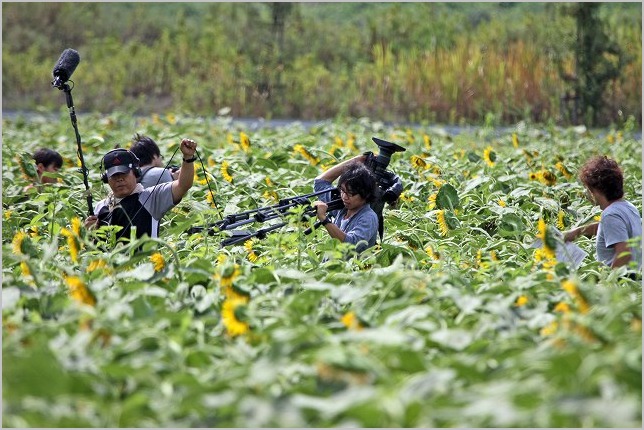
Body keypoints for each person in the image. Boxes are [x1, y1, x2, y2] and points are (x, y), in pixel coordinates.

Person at [84, 138, 198, 243]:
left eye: (124, 173)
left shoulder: (151, 197)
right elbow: (91, 248)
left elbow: (183, 185)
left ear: (136, 172)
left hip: (144, 264)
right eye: (114, 176)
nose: (119, 179)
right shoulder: (101, 207)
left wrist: (188, 158)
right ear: (106, 179)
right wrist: (88, 233)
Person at [563, 155, 642, 270]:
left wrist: (607, 282)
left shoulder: (610, 215)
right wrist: (577, 232)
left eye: (588, 189)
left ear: (595, 190)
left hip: (621, 283)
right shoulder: (628, 207)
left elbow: (624, 255)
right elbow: (609, 229)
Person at [312, 155, 379, 254]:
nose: (344, 196)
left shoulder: (368, 217)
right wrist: (354, 162)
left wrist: (324, 219)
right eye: (342, 190)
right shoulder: (342, 208)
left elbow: (351, 244)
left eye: (351, 193)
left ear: (366, 194)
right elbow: (320, 183)